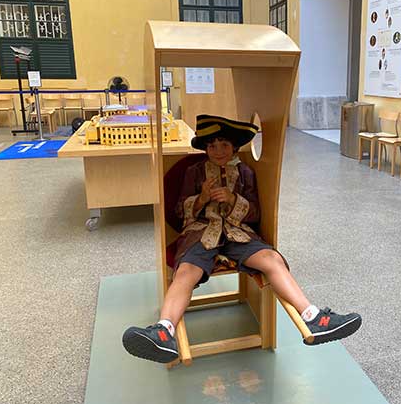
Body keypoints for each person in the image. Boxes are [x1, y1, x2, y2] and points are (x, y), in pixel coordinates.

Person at [122, 115, 362, 363]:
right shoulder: (193, 172)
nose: (218, 151)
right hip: (201, 234)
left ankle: (313, 317)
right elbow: (178, 211)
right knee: (185, 272)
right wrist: (202, 198)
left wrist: (233, 199)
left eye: (224, 145)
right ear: (205, 148)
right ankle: (164, 331)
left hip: (239, 233)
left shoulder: (246, 172)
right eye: (212, 146)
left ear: (235, 147)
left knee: (272, 259)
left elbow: (256, 213)